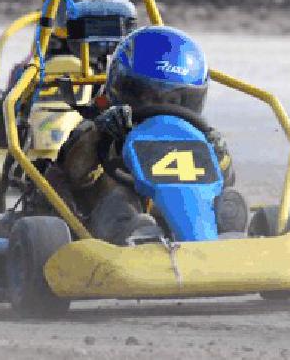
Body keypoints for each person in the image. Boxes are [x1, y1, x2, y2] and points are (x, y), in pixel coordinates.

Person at [47, 26, 238, 245]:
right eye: (147, 97)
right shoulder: (98, 128)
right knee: (118, 196)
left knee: (227, 203)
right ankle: (135, 233)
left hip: (179, 221)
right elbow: (74, 174)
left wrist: (219, 152)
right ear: (123, 90)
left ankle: (220, 236)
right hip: (104, 228)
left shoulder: (196, 136)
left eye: (174, 101)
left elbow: (226, 181)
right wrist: (101, 134)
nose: (161, 108)